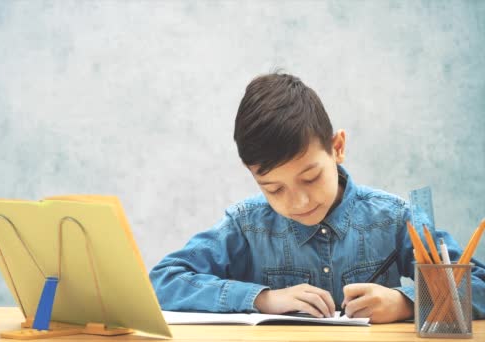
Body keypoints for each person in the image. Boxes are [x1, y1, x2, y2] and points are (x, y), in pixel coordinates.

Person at [149, 72, 485, 323]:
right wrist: (263, 299)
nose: (297, 202)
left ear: (337, 147)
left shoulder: (394, 217)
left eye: (310, 178)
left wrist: (407, 302)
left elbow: (478, 283)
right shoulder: (245, 225)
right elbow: (163, 280)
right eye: (274, 189)